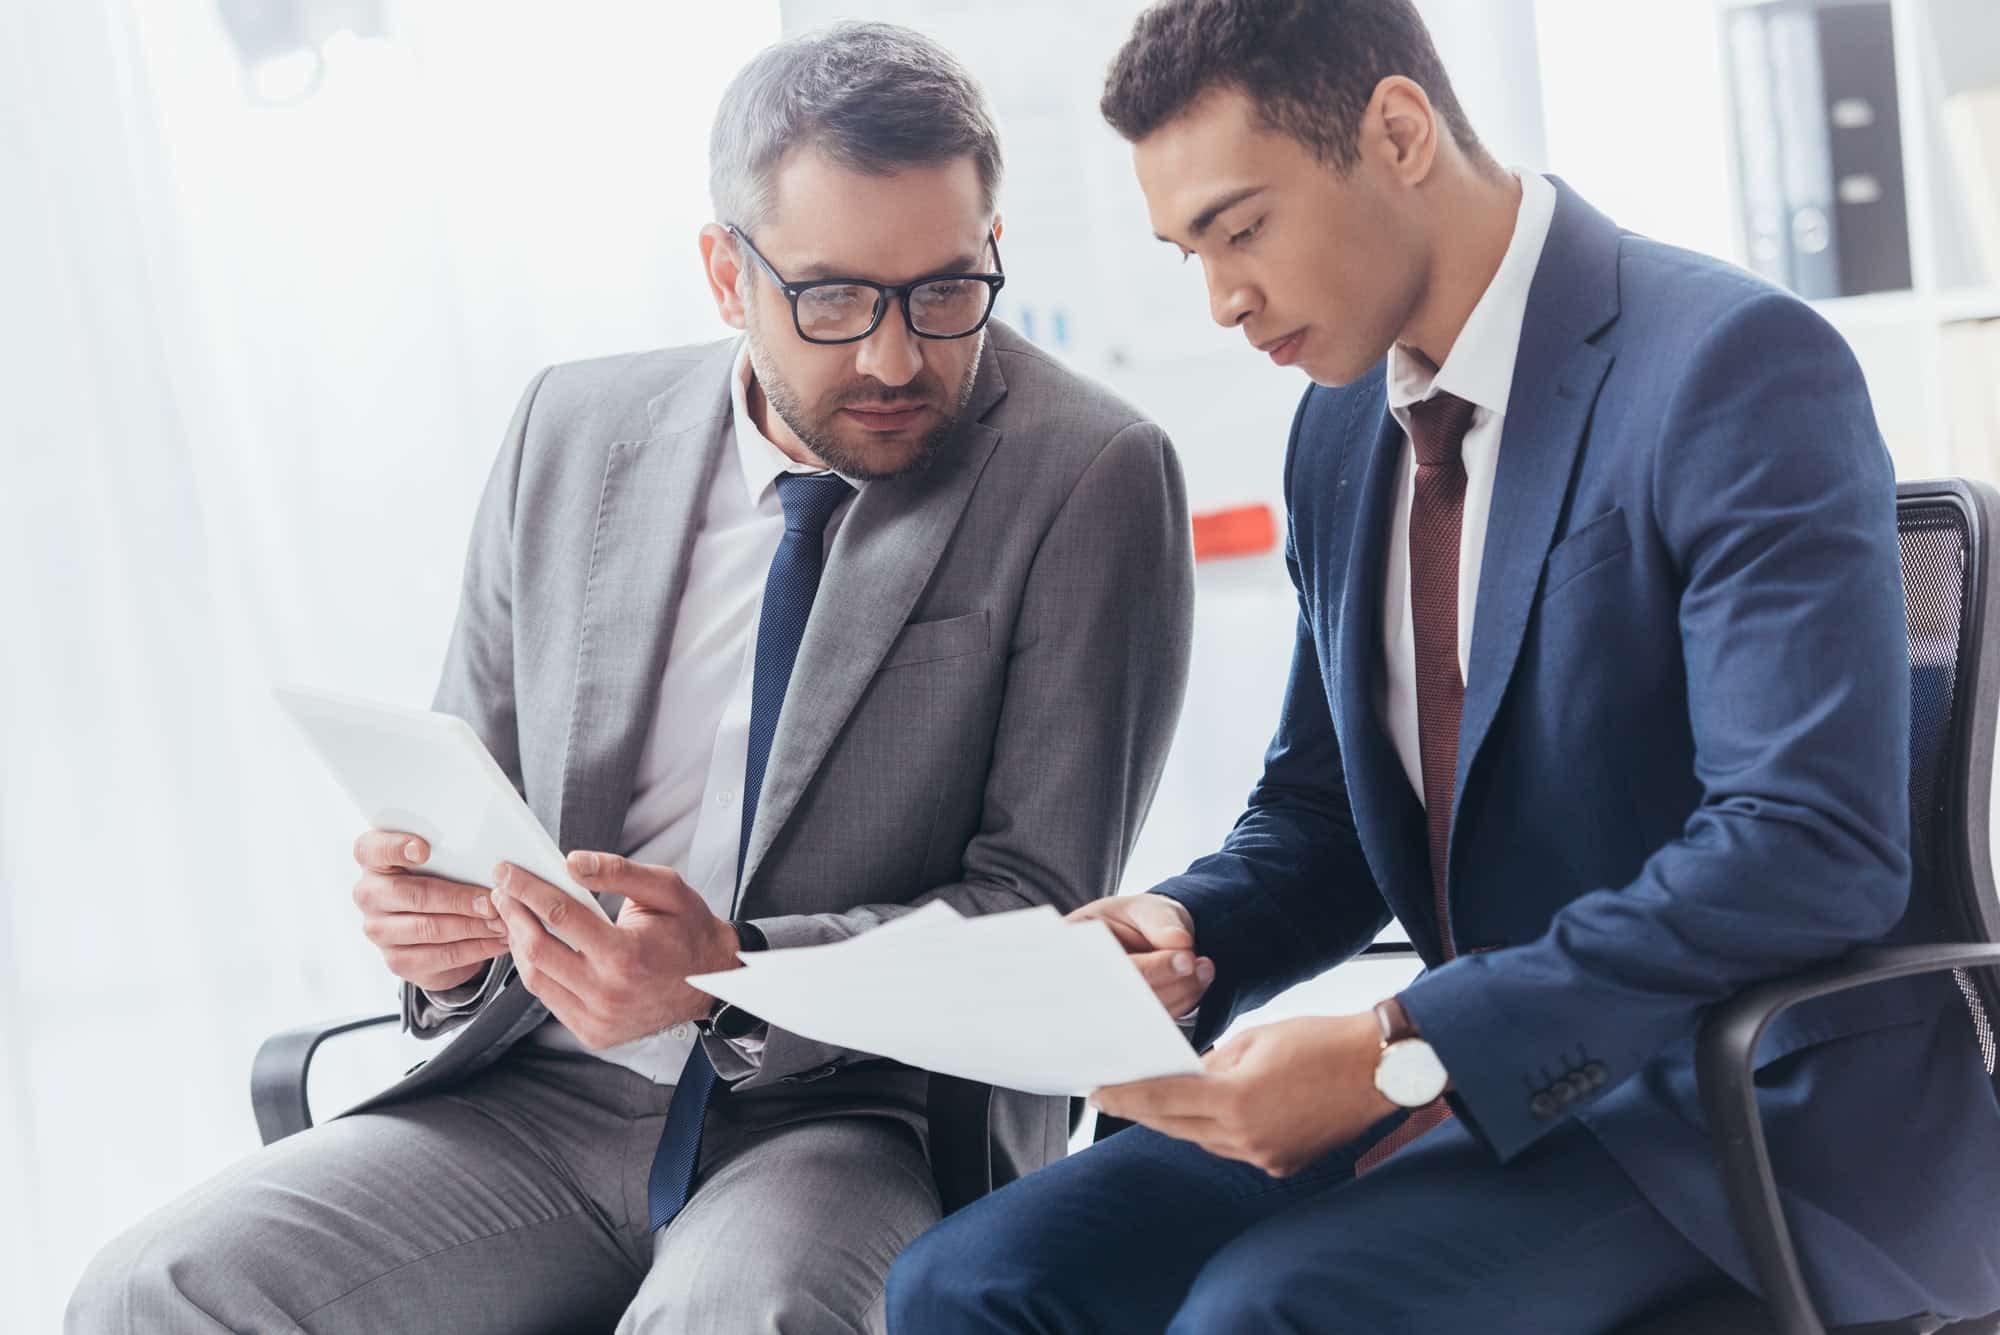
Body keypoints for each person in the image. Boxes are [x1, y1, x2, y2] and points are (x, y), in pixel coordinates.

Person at [886, 1, 2000, 1330]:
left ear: (1399, 132)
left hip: (1710, 1109)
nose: (1223, 297)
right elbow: (1328, 823)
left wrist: (1400, 1047)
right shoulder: (1342, 430)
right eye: (1189, 250)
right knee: (966, 1281)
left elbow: (1807, 849)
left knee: (1263, 1315)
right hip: (1462, 1088)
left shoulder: (1728, 369)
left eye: (1243, 227)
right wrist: (1190, 931)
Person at [67, 22, 1193, 1335]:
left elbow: (1035, 906)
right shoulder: (569, 433)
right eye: (833, 299)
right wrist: (439, 937)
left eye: (945, 292)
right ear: (727, 274)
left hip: (858, 1117)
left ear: (992, 247)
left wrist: (735, 972)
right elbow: (466, 799)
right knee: (153, 1290)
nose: (896, 357)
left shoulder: (1090, 473)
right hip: (541, 1090)